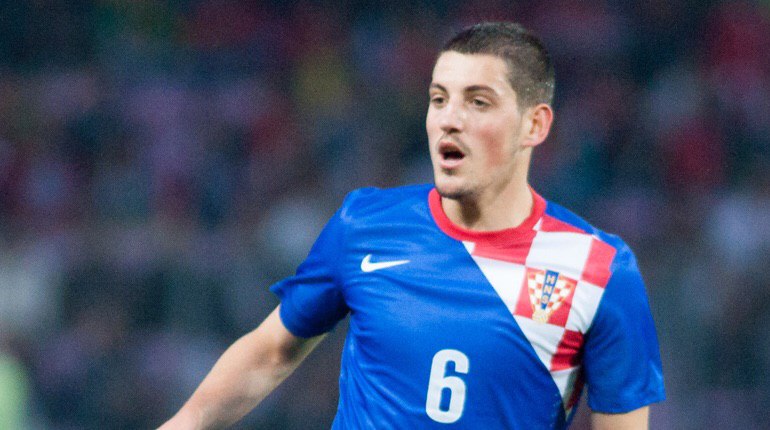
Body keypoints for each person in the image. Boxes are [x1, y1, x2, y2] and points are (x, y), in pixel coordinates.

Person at [159, 22, 665, 429]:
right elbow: (271, 352)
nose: (449, 119)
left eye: (478, 102)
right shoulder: (365, 224)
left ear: (534, 124)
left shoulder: (600, 270)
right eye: (439, 98)